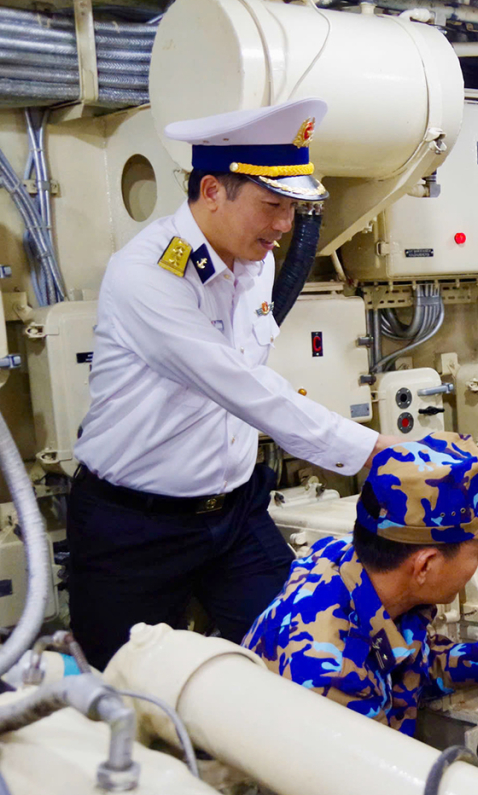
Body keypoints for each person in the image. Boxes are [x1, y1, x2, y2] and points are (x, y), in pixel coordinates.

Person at [69, 98, 403, 669]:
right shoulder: (149, 275)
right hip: (135, 528)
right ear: (211, 191)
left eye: (292, 207)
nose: (285, 225)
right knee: (126, 692)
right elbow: (242, 386)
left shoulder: (258, 263)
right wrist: (371, 449)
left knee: (309, 657)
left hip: (234, 515)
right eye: (272, 205)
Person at [243, 433, 478, 734]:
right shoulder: (332, 675)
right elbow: (378, 786)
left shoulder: (349, 561)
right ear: (425, 565)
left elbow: (407, 665)